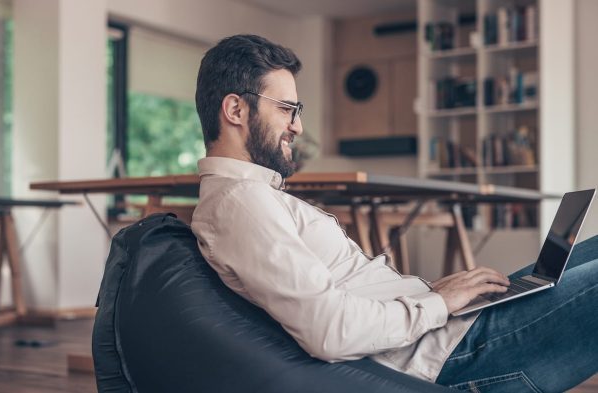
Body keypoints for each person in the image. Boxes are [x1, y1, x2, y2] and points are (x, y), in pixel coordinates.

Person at [190, 34, 598, 392]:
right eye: (286, 108)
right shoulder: (240, 203)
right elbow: (329, 331)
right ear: (236, 110)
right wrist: (437, 302)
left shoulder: (252, 195)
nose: (297, 126)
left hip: (441, 332)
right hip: (449, 356)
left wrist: (432, 294)